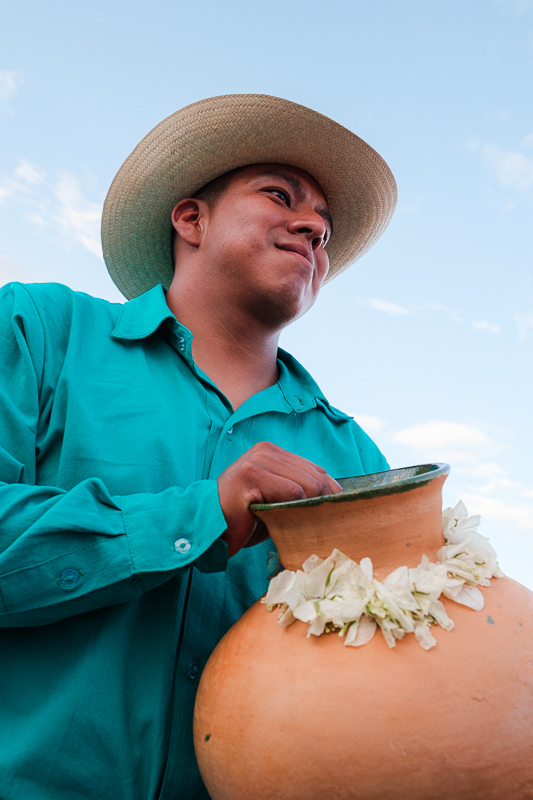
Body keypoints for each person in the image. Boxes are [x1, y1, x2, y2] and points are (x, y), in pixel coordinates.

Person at [0, 94, 396, 799]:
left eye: (325, 229)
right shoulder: (38, 330)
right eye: (281, 195)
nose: (312, 228)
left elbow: (381, 679)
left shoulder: (356, 454)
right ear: (191, 218)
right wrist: (200, 513)